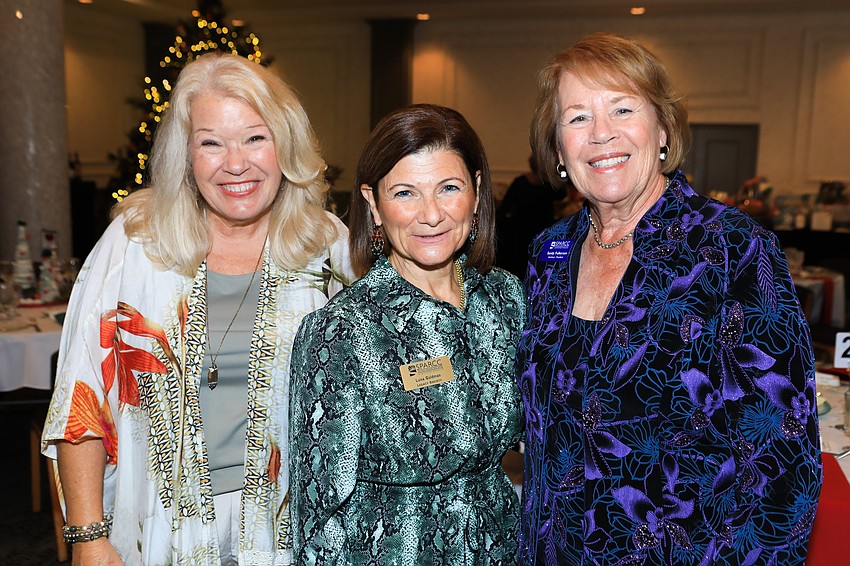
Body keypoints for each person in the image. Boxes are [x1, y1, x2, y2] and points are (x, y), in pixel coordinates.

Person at [518, 32, 822, 565]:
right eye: (578, 117)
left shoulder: (732, 250)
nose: (601, 134)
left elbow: (783, 469)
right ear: (559, 148)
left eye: (622, 109)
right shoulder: (549, 254)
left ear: (662, 129)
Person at [41, 52, 354, 565]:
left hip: (293, 530)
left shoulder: (326, 248)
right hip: (157, 527)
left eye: (255, 138)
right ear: (185, 154)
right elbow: (82, 397)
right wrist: (88, 537)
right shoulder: (135, 244)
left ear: (286, 143)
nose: (236, 163)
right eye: (211, 142)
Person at [289, 104, 525, 564]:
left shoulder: (505, 298)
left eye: (449, 188)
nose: (431, 215)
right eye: (405, 193)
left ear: (477, 192)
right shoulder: (341, 331)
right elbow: (318, 518)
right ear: (373, 204)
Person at [495, 156, 567, 277]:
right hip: (542, 232)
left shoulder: (521, 182)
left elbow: (505, 206)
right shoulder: (548, 183)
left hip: (523, 232)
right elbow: (562, 195)